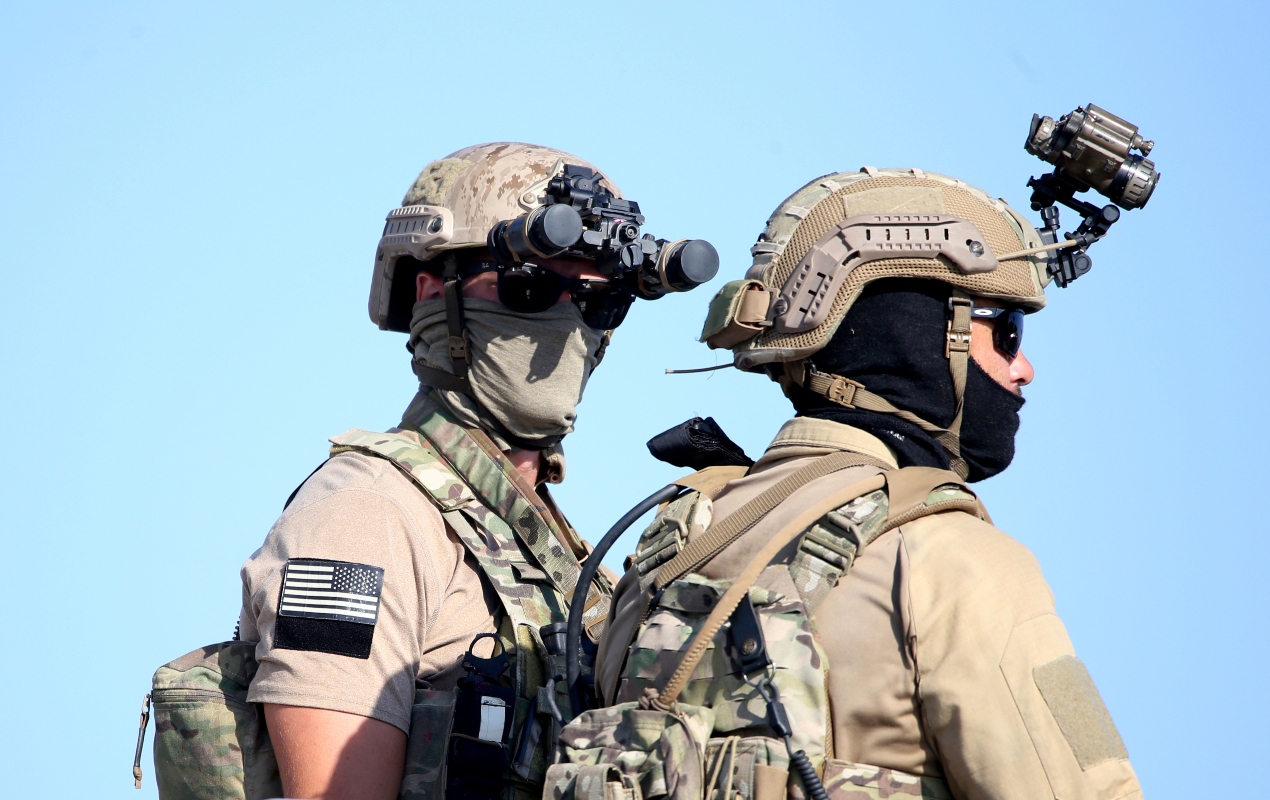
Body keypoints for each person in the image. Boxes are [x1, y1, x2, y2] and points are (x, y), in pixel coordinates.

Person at [589, 168, 1144, 800]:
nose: (1025, 369)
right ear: (923, 335)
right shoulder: (954, 559)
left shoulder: (669, 545)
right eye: (1007, 332)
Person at [235, 143, 663, 800]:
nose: (568, 323)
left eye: (599, 301)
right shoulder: (365, 517)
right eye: (532, 287)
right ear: (436, 296)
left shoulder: (573, 568)